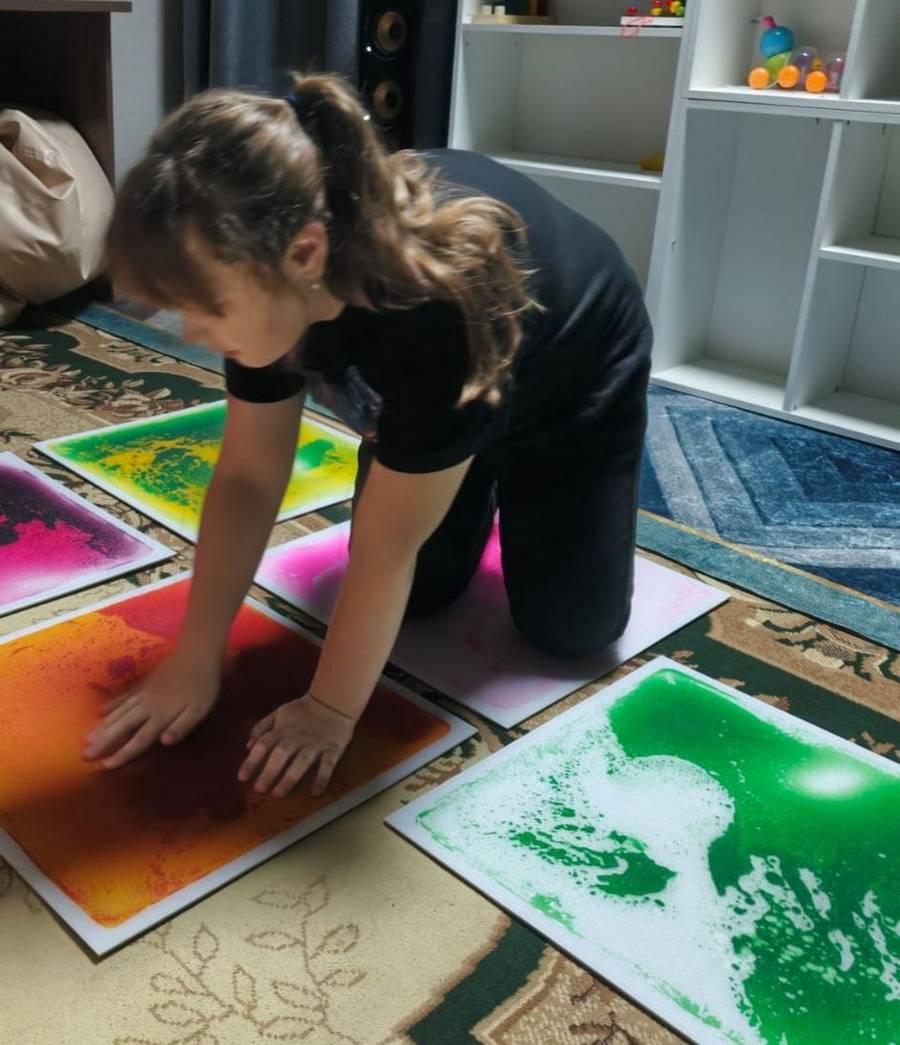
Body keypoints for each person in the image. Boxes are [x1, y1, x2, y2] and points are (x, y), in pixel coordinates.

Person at [82, 72, 652, 799]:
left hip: (572, 377)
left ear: (305, 255)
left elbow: (387, 550)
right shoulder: (260, 282)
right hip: (447, 391)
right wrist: (195, 656)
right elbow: (250, 477)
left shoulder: (428, 316)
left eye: (207, 310)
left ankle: (484, 463)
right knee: (414, 602)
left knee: (571, 632)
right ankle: (461, 458)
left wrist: (328, 712)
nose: (192, 333)